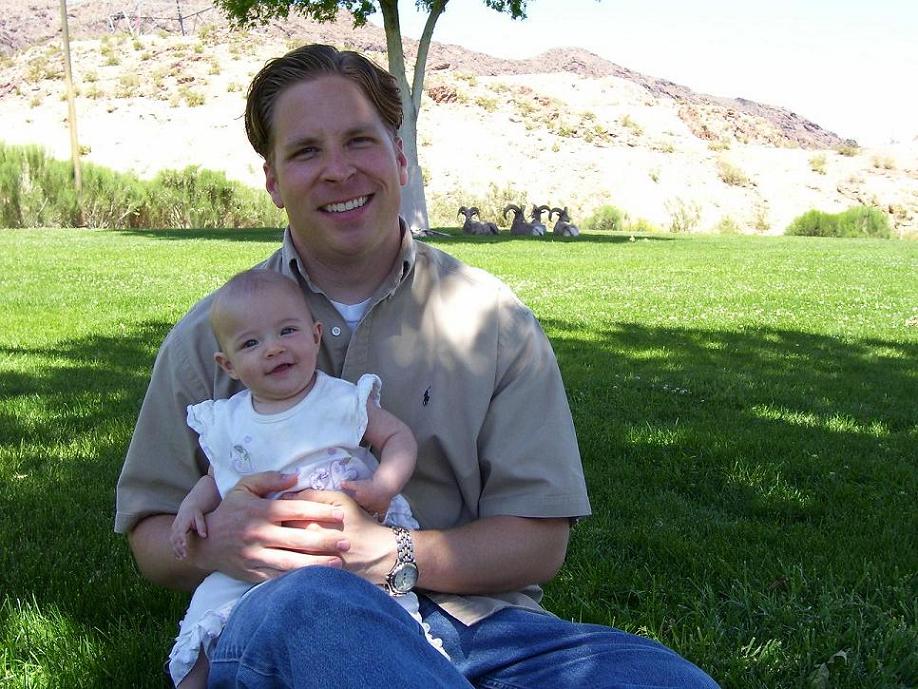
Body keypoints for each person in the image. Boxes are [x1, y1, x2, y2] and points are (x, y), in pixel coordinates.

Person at [115, 43, 719, 688]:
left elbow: (541, 541)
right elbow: (151, 530)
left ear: (400, 157)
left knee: (664, 679)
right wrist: (219, 543)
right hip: (282, 619)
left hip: (472, 625)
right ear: (273, 181)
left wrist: (389, 554)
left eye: (359, 141)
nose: (338, 171)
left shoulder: (492, 320)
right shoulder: (209, 336)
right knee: (317, 602)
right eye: (305, 151)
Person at [166, 268, 445, 688]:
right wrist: (192, 507)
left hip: (345, 552)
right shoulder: (227, 419)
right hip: (255, 560)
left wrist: (384, 485)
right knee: (202, 627)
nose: (274, 349)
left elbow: (397, 438)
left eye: (287, 331)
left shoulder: (339, 400)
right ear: (230, 365)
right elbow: (216, 475)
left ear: (315, 336)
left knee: (386, 625)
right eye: (251, 343)